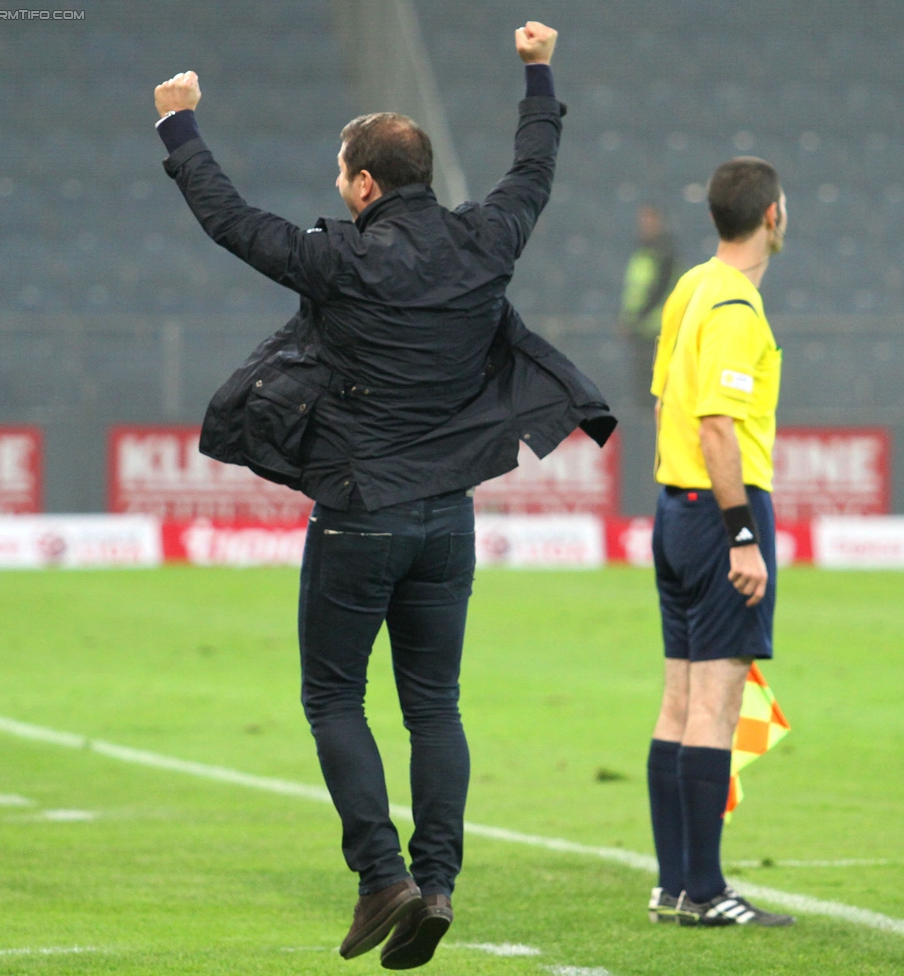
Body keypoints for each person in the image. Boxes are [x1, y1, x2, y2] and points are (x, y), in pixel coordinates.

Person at [154, 21, 616, 970]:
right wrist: (537, 70)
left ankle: (382, 877)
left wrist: (181, 129)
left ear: (366, 186)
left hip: (360, 510)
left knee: (333, 697)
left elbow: (233, 223)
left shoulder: (343, 258)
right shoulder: (486, 242)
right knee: (435, 707)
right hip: (450, 516)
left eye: (340, 175)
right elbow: (536, 168)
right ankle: (437, 881)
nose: (338, 188)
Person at [645, 157, 795, 928]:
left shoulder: (690, 286)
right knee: (714, 703)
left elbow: (666, 398)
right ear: (771, 214)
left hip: (677, 511)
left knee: (677, 701)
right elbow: (715, 426)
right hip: (719, 515)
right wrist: (743, 538)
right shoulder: (735, 304)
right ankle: (704, 891)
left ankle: (674, 884)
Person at [618, 205, 677, 405]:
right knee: (642, 388)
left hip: (657, 329)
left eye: (650, 220)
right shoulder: (641, 250)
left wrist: (635, 319)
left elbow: (659, 289)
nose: (645, 225)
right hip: (641, 330)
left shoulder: (666, 253)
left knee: (656, 387)